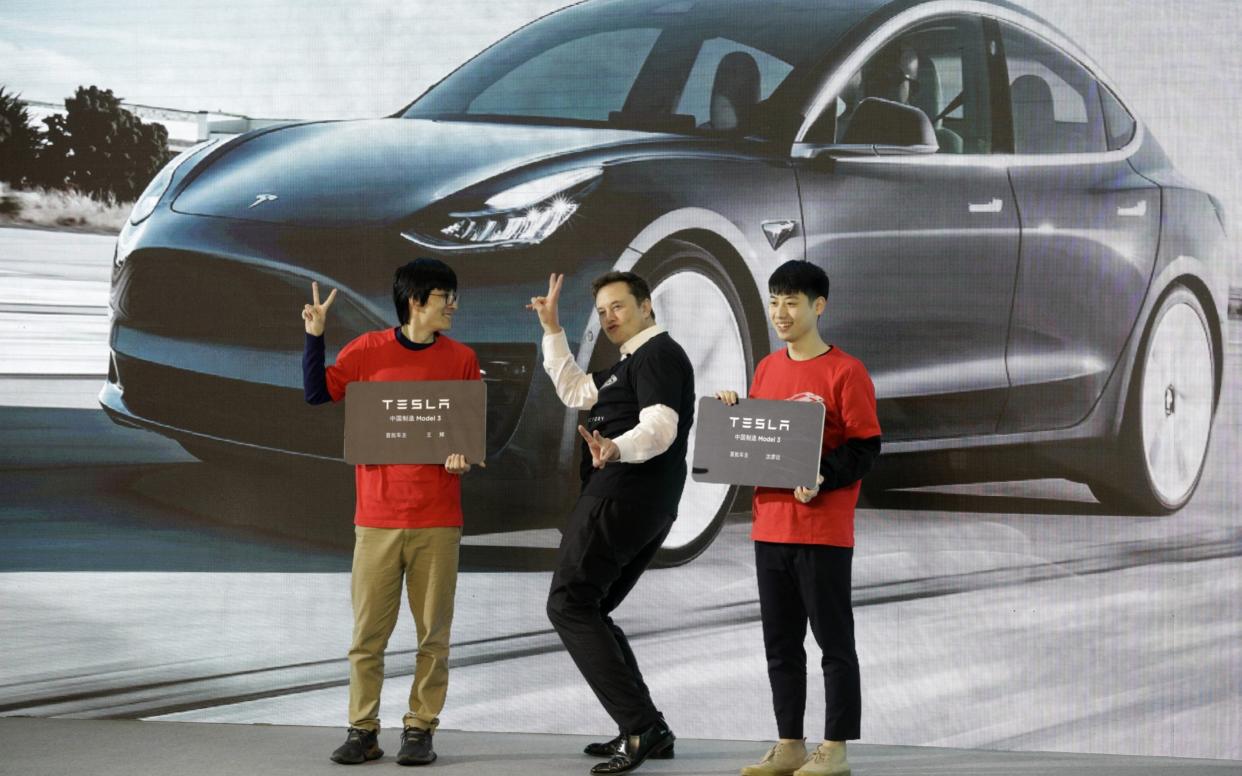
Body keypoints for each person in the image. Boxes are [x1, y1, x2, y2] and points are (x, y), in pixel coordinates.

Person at [302, 258, 481, 767]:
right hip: (376, 519)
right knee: (366, 638)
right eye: (446, 297)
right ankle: (363, 730)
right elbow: (318, 393)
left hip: (438, 520)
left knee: (434, 637)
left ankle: (420, 728)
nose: (453, 306)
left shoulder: (462, 358)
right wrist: (315, 335)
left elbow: (466, 443)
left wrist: (461, 458)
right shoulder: (366, 351)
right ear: (416, 301)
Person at [717, 260, 881, 776]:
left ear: (818, 306)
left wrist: (823, 477)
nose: (780, 312)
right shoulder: (767, 368)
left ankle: (835, 747)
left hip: (823, 532)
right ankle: (790, 741)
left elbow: (865, 447)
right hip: (770, 528)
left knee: (834, 643)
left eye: (791, 301)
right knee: (781, 644)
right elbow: (765, 441)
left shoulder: (845, 370)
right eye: (774, 301)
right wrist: (733, 413)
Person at [527, 271, 694, 775]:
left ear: (647, 307)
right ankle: (647, 727)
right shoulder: (627, 365)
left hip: (622, 494)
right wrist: (553, 328)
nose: (609, 318)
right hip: (641, 501)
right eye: (601, 312)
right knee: (589, 607)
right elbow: (576, 390)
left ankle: (639, 726)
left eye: (618, 307)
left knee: (570, 604)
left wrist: (616, 447)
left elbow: (661, 427)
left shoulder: (660, 354)